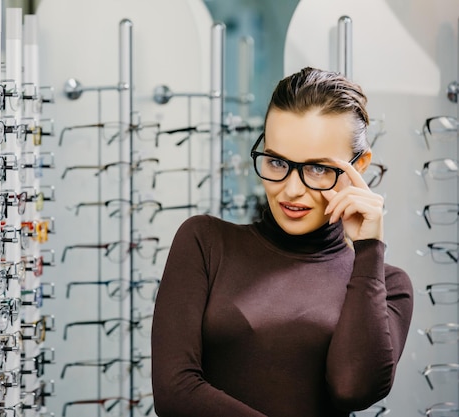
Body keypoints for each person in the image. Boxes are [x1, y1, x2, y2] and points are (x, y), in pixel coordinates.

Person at [150, 67, 414, 417]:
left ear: (359, 166)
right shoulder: (205, 242)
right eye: (277, 162)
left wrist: (369, 251)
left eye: (318, 169)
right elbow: (174, 391)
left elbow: (353, 389)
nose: (291, 189)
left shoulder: (388, 286)